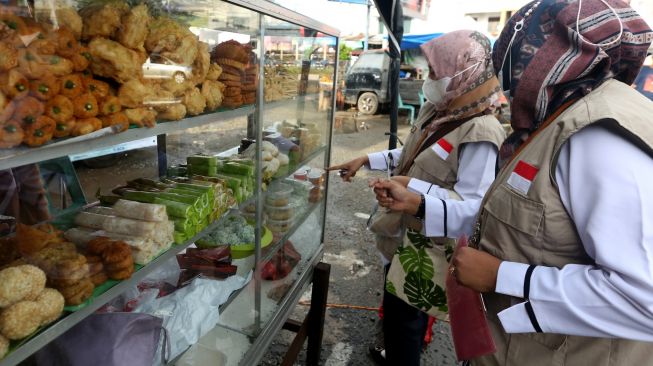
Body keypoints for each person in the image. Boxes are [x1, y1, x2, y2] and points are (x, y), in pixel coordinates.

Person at [372, 0, 653, 364]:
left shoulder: (594, 135)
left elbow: (642, 298)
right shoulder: (561, 116)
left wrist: (503, 277)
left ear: (538, 56)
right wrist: (420, 202)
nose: (506, 78)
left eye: (511, 59)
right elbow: (512, 217)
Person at [328, 30, 505, 366]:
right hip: (401, 241)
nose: (430, 79)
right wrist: (366, 160)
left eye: (437, 72)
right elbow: (412, 152)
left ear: (465, 73)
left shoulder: (481, 131)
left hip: (426, 254)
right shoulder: (438, 109)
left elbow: (473, 209)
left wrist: (416, 198)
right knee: (397, 321)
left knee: (406, 329)